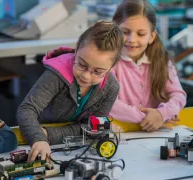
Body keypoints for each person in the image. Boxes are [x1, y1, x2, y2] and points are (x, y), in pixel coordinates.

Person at [17, 21, 124, 162]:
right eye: (81, 64)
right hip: (36, 139)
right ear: (77, 46)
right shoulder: (56, 74)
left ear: (112, 67)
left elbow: (94, 128)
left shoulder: (111, 87)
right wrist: (38, 138)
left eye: (97, 71)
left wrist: (51, 135)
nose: (86, 75)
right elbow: (26, 109)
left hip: (70, 146)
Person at [110, 0, 186, 131]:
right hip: (121, 132)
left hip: (156, 133)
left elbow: (178, 95)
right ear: (114, 31)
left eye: (140, 34)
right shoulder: (108, 62)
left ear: (151, 36)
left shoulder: (162, 61)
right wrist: (149, 118)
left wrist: (162, 114)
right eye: (125, 32)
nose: (132, 39)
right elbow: (109, 103)